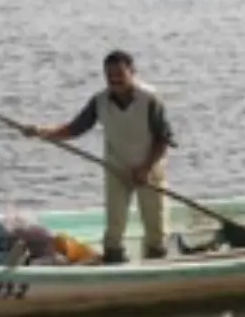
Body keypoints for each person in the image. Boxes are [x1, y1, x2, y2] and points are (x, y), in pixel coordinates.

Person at [22, 50, 176, 264]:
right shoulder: (100, 101)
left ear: (132, 72)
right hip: (116, 166)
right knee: (114, 225)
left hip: (149, 166)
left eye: (120, 74)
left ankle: (156, 261)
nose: (115, 80)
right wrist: (41, 132)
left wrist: (145, 168)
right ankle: (114, 261)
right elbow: (75, 128)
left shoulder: (150, 100)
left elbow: (163, 140)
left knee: (156, 226)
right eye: (110, 75)